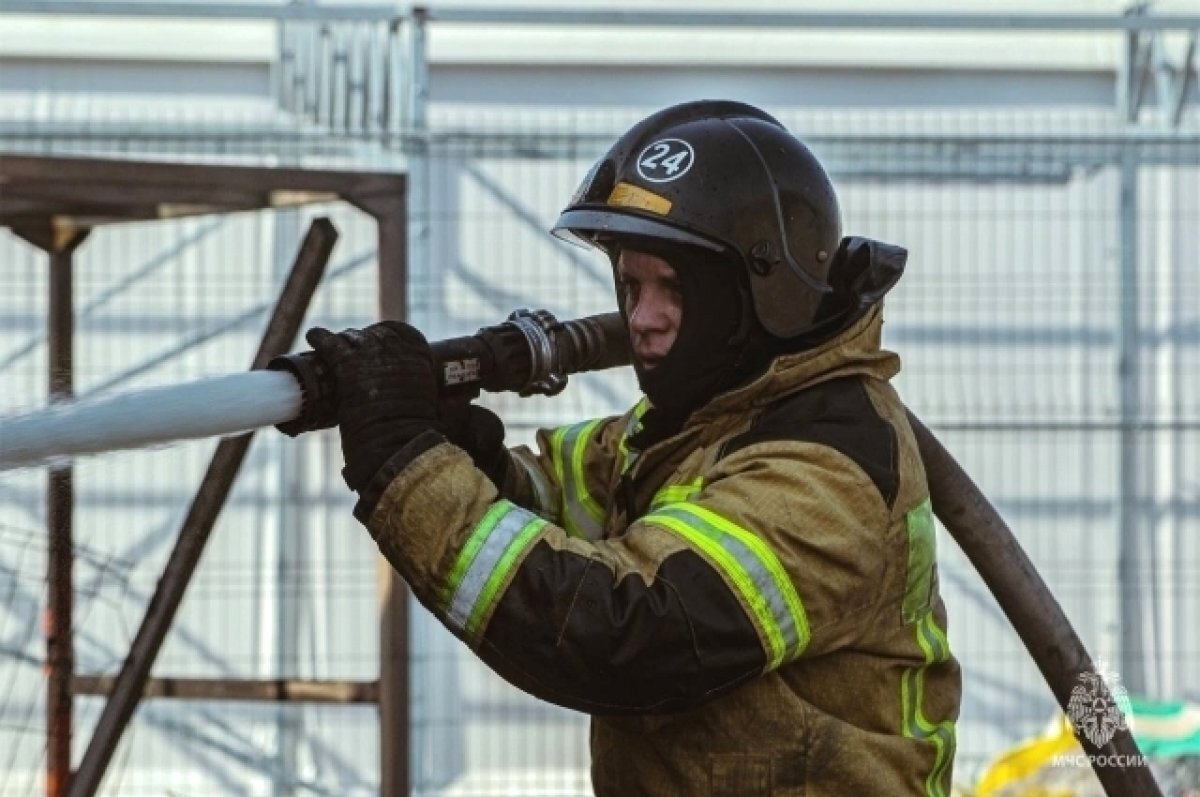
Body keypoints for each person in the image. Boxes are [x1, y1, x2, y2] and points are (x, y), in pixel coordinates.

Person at [301, 100, 961, 796]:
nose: (639, 319)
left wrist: (407, 467)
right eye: (631, 283)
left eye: (673, 287)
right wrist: (466, 451)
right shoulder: (697, 423)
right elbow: (564, 505)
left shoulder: (830, 469)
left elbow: (626, 631)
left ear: (760, 290)